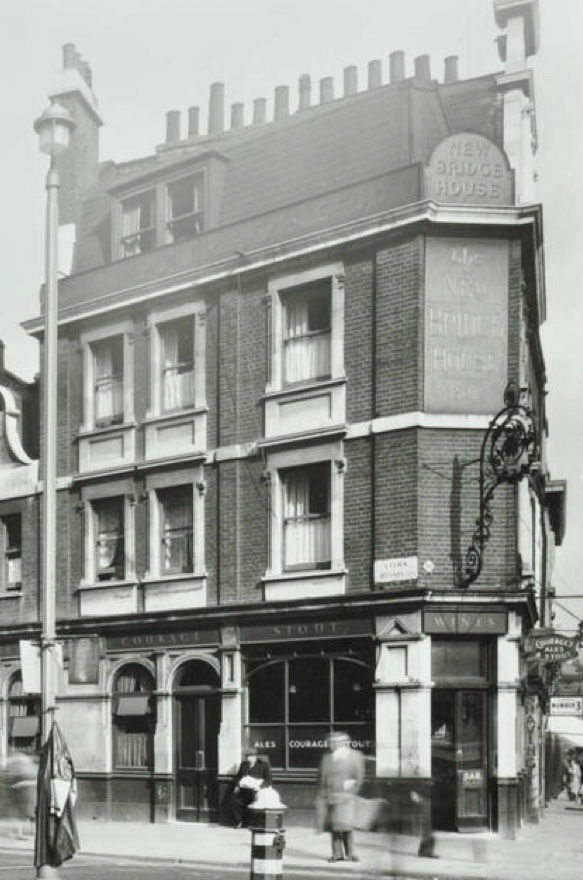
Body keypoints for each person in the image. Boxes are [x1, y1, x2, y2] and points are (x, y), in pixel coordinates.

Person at [317, 731, 365, 863]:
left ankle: (351, 854)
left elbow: (359, 777)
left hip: (346, 798)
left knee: (346, 826)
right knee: (334, 827)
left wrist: (352, 792)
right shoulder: (326, 757)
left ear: (343, 743)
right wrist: (322, 795)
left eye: (334, 742)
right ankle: (337, 854)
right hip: (330, 796)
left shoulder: (355, 755)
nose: (330, 744)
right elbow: (321, 777)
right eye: (330, 742)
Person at [229, 747, 272, 827]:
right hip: (243, 789)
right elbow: (238, 777)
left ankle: (251, 823)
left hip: (256, 790)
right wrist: (237, 785)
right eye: (247, 756)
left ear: (255, 756)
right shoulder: (244, 764)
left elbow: (269, 780)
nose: (248, 758)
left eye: (250, 756)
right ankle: (239, 821)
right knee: (233, 800)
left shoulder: (263, 765)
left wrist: (260, 787)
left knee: (254, 801)